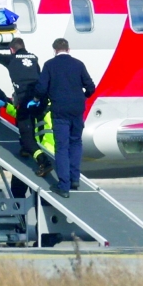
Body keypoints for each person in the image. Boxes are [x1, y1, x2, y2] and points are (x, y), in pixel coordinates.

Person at [0, 38, 53, 196]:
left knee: (27, 138)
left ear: (12, 50)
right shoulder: (34, 58)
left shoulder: (11, 59)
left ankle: (43, 161)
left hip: (25, 102)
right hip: (37, 100)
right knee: (29, 129)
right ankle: (25, 150)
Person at [30, 38, 95, 198]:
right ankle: (75, 179)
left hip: (59, 110)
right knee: (76, 142)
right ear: (68, 49)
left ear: (54, 50)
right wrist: (83, 97)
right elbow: (91, 87)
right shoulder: (78, 64)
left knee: (62, 147)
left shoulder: (50, 65)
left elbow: (41, 88)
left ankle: (64, 186)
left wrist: (37, 100)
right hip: (77, 109)